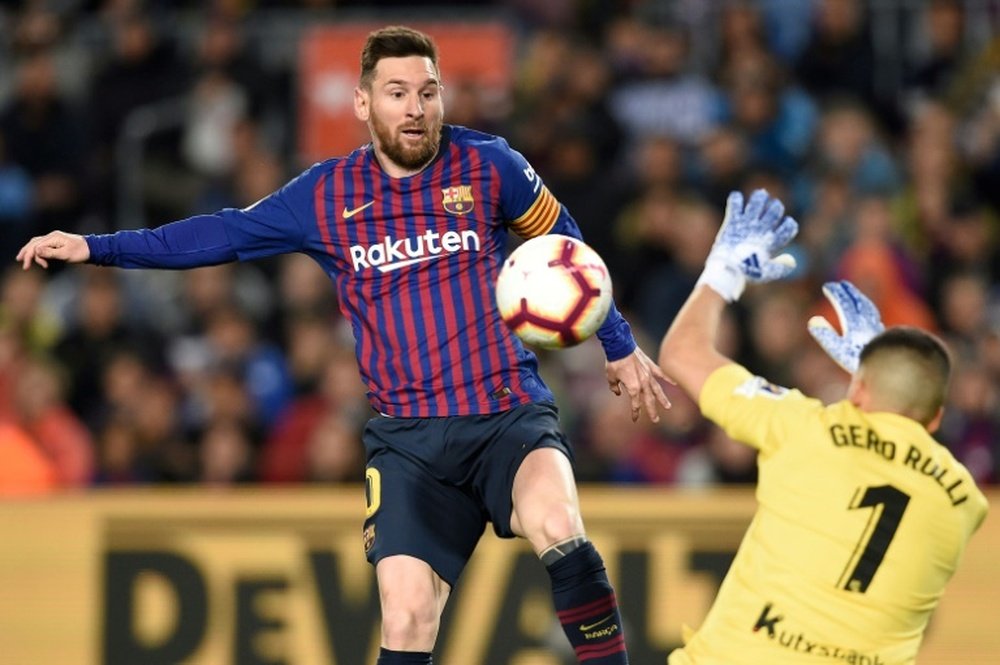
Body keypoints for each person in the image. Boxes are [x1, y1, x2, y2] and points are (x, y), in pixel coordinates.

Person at [16, 25, 671, 664]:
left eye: (428, 91)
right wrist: (95, 248)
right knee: (408, 611)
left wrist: (616, 341)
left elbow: (566, 244)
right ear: (362, 102)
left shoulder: (490, 163)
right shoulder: (325, 196)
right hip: (409, 442)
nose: (415, 108)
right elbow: (219, 235)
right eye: (396, 92)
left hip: (508, 414)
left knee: (559, 525)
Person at [657, 189, 988, 663]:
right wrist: (876, 374)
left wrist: (722, 274)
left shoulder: (801, 427)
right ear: (936, 416)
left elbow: (683, 355)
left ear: (857, 390)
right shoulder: (964, 503)